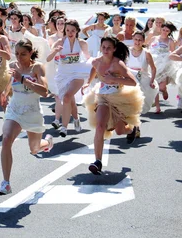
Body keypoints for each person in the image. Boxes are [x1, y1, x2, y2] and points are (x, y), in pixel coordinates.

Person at [0, 39, 54, 196]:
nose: (19, 57)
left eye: (23, 54)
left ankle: (47, 143)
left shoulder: (37, 68)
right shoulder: (13, 66)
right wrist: (4, 93)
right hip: (15, 109)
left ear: (30, 53)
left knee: (34, 149)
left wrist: (23, 79)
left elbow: (44, 91)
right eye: (16, 54)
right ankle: (6, 183)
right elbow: (10, 81)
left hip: (32, 111)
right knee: (6, 139)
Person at [83, 36, 143, 175]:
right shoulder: (97, 61)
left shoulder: (118, 64)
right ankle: (97, 162)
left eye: (109, 48)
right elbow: (94, 69)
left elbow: (133, 82)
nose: (105, 50)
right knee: (100, 127)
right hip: (103, 97)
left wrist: (114, 79)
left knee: (120, 131)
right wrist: (88, 82)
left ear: (114, 49)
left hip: (119, 98)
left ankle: (132, 130)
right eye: (103, 47)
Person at [46, 19, 90, 137]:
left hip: (77, 74)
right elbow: (48, 59)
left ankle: (64, 127)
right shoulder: (60, 42)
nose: (70, 33)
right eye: (68, 30)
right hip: (63, 75)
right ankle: (76, 118)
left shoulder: (82, 43)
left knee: (66, 97)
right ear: (65, 30)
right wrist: (55, 51)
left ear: (77, 31)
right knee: (70, 100)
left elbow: (89, 59)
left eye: (73, 31)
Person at [148, 21, 177, 113]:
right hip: (153, 64)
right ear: (161, 29)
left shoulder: (170, 41)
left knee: (161, 87)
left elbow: (172, 53)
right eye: (163, 29)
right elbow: (148, 50)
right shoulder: (154, 38)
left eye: (167, 30)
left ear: (169, 32)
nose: (164, 32)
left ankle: (164, 91)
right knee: (154, 86)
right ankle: (157, 106)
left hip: (164, 64)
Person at [129, 31, 158, 115]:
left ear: (143, 41)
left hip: (142, 78)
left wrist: (152, 81)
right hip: (129, 77)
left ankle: (135, 122)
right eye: (136, 39)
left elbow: (153, 68)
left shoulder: (146, 53)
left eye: (140, 40)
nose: (137, 42)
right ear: (132, 39)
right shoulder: (127, 51)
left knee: (138, 101)